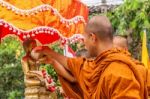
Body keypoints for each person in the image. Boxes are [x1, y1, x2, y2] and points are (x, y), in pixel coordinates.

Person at [31, 15, 148, 99]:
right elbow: (74, 64)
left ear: (93, 38)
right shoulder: (97, 65)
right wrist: (50, 54)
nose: (84, 44)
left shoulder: (118, 71)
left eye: (84, 39)